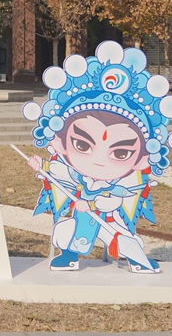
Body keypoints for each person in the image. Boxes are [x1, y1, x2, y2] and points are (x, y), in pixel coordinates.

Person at [23, 41, 171, 274]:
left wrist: (92, 203)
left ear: (142, 158)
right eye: (82, 145)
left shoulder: (120, 183)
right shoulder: (77, 176)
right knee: (65, 230)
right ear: (60, 142)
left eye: (120, 153)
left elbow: (115, 200)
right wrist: (40, 164)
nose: (99, 160)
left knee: (124, 240)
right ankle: (69, 257)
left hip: (108, 220)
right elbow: (62, 173)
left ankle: (137, 261)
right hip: (81, 221)